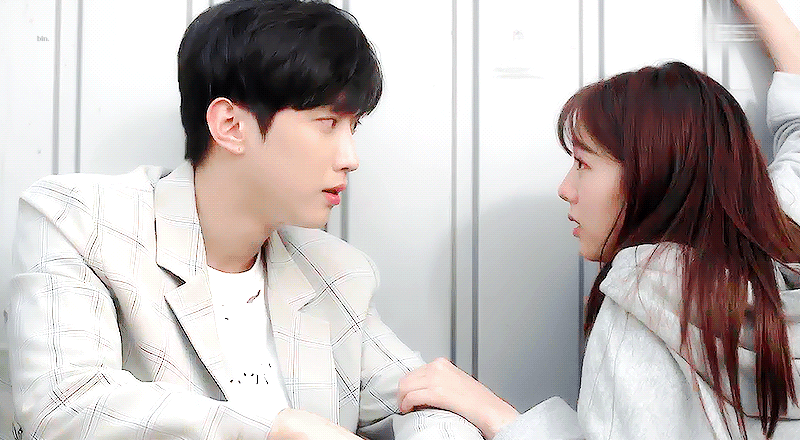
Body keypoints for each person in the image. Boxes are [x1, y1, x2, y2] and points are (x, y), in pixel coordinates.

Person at [5, 1, 482, 439]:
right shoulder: (81, 221)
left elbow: (426, 401)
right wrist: (278, 429)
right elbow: (64, 406)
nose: (350, 158)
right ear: (231, 126)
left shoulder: (336, 272)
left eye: (353, 127)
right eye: (327, 123)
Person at [397, 0, 800, 438]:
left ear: (651, 176)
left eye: (582, 164)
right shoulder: (781, 244)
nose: (565, 188)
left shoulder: (643, 300)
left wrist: (494, 413)